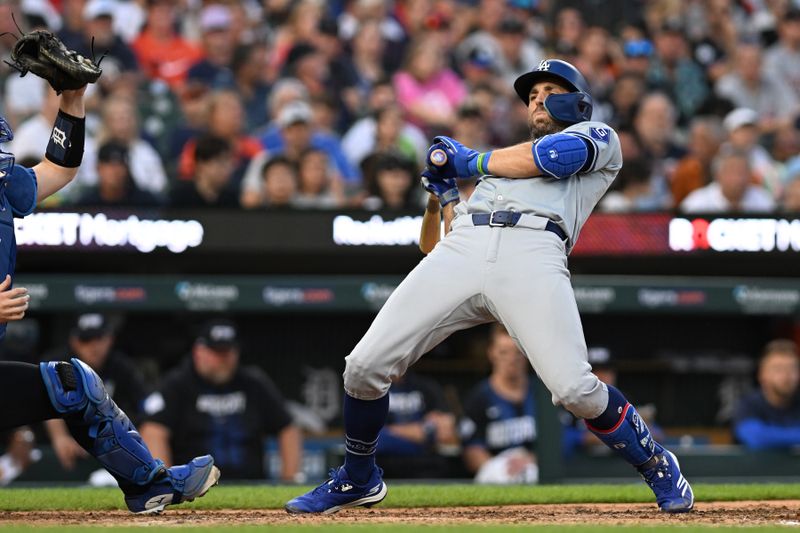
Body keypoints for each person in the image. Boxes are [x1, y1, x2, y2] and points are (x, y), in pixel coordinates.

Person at [286, 59, 694, 514]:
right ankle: (358, 477)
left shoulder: (597, 136)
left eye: (548, 90)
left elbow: (550, 159)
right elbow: (432, 243)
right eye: (532, 94)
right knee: (362, 367)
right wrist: (443, 193)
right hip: (466, 244)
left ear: (577, 100)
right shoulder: (500, 164)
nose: (537, 99)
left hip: (534, 250)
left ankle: (656, 461)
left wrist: (466, 160)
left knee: (575, 390)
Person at [0, 85, 220, 512]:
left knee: (73, 384)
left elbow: (58, 170)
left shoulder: (4, 183)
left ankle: (148, 484)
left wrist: (72, 101)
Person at [140, 319, 302, 481]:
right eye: (216, 352)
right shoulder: (177, 384)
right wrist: (165, 484)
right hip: (192, 487)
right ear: (199, 352)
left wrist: (289, 480)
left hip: (250, 484)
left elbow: (288, 428)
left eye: (228, 352)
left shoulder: (254, 383)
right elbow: (153, 430)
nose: (223, 360)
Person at [43, 313, 149, 472]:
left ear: (110, 339)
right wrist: (60, 437)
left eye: (99, 338)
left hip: (113, 441)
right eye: (86, 340)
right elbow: (46, 401)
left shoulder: (121, 366)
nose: (94, 346)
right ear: (74, 342)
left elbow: (146, 405)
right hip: (72, 441)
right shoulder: (58, 363)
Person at [461, 324, 538, 484]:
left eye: (517, 353)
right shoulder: (479, 396)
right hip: (496, 474)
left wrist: (532, 460)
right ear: (492, 353)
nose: (511, 359)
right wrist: (499, 468)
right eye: (504, 352)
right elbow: (471, 449)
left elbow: (562, 439)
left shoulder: (543, 394)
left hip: (536, 470)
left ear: (527, 355)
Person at [376, 371, 458, 479]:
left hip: (424, 465)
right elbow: (365, 436)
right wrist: (422, 430)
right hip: (380, 465)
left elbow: (446, 432)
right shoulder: (369, 388)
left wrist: (388, 431)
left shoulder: (425, 386)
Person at [732, 340, 800, 450]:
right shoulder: (749, 404)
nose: (787, 375)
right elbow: (756, 438)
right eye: (778, 369)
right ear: (762, 375)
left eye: (792, 368)